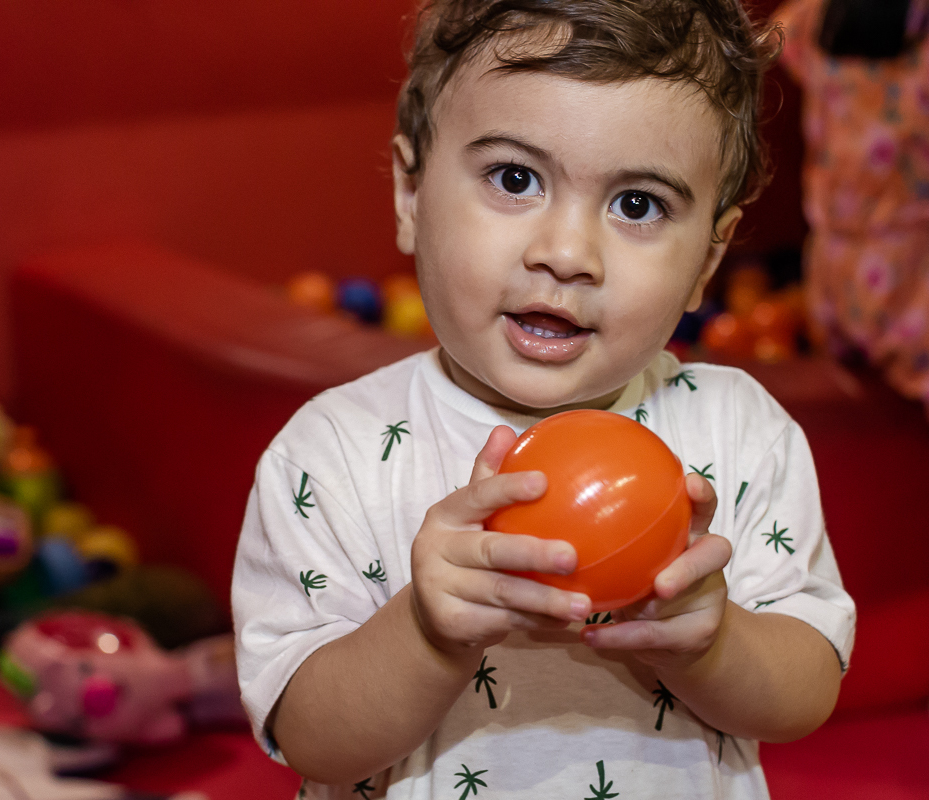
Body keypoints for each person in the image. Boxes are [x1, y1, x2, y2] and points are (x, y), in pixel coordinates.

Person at [232, 1, 856, 796]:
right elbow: (308, 736)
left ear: (710, 256)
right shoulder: (331, 453)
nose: (566, 254)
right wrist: (424, 633)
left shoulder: (741, 431)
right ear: (410, 192)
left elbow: (807, 690)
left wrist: (713, 641)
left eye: (638, 204)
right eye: (515, 178)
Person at [775, 0, 929, 414]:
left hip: (832, 260)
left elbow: (776, 41)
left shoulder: (816, 18)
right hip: (910, 268)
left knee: (854, 407)